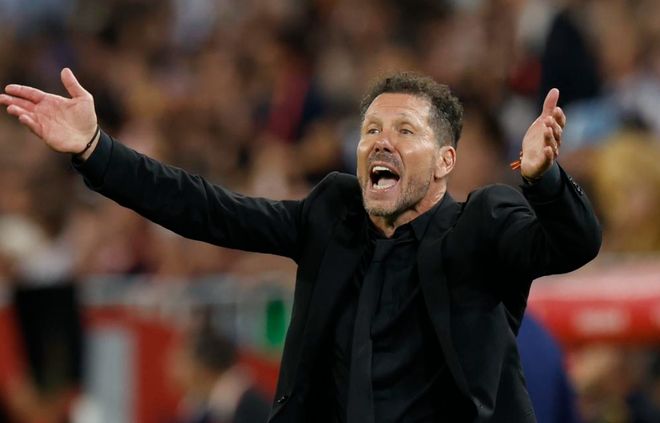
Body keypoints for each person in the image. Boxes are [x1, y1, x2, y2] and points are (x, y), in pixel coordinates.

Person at [0, 69, 601, 422]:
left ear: (446, 161)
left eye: (405, 130)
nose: (381, 141)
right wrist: (96, 149)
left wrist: (544, 179)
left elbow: (573, 244)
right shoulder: (330, 218)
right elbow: (207, 210)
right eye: (370, 129)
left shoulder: (483, 223)